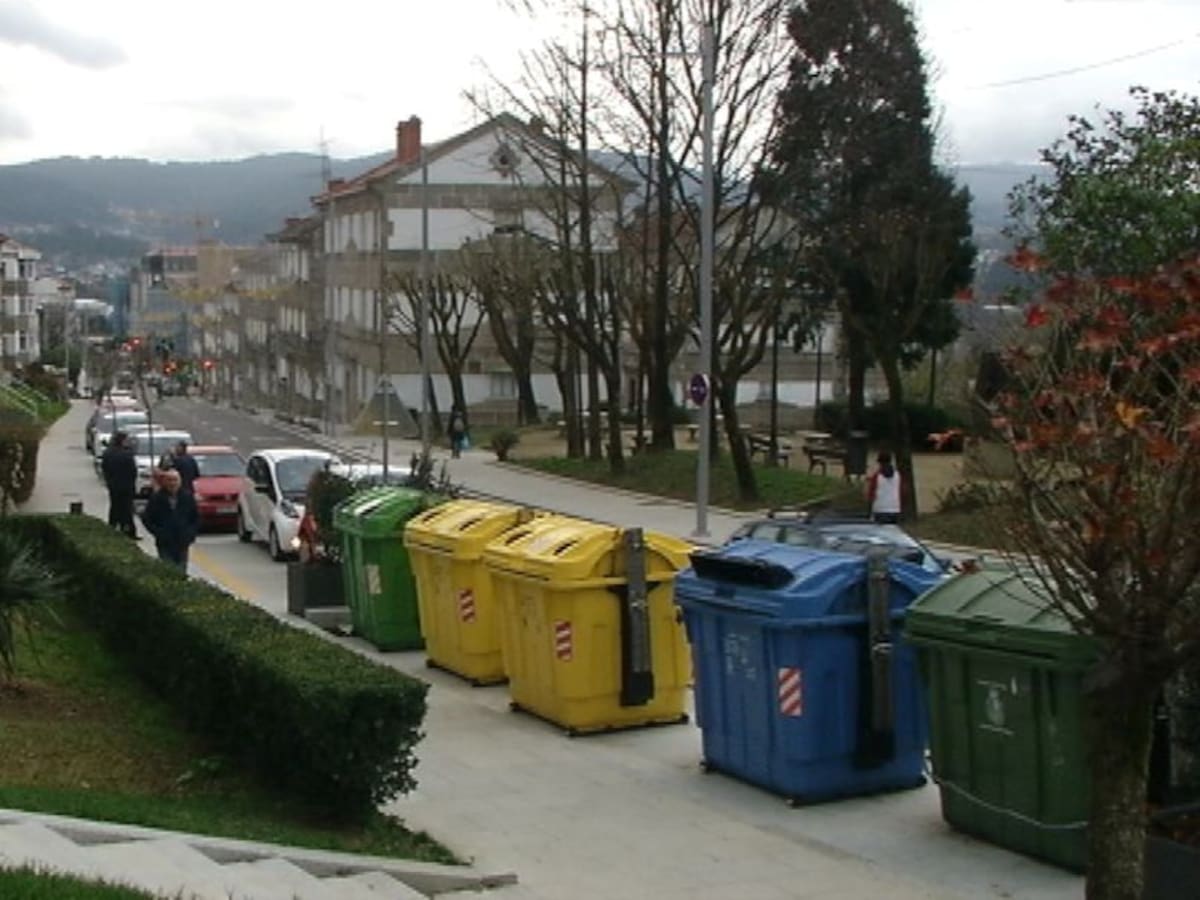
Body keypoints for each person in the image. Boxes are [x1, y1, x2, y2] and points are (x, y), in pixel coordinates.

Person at [140, 468, 199, 571]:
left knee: (181, 571)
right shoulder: (157, 498)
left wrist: (190, 534)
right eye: (169, 480)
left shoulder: (187, 497)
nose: (172, 483)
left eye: (175, 480)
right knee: (168, 570)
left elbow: (195, 517)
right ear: (165, 482)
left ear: (180, 481)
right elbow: (147, 518)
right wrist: (158, 532)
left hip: (182, 542)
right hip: (165, 543)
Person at [100, 431, 138, 538]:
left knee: (115, 507)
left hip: (113, 485)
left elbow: (104, 469)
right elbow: (133, 472)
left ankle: (112, 527)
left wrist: (109, 481)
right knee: (127, 509)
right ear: (122, 441)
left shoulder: (108, 453)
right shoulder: (127, 454)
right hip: (126, 486)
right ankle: (128, 530)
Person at [866, 451, 902, 524]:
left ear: (880, 463)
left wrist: (869, 510)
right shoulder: (898, 475)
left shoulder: (877, 476)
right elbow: (903, 492)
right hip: (895, 509)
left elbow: (871, 494)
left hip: (880, 508)